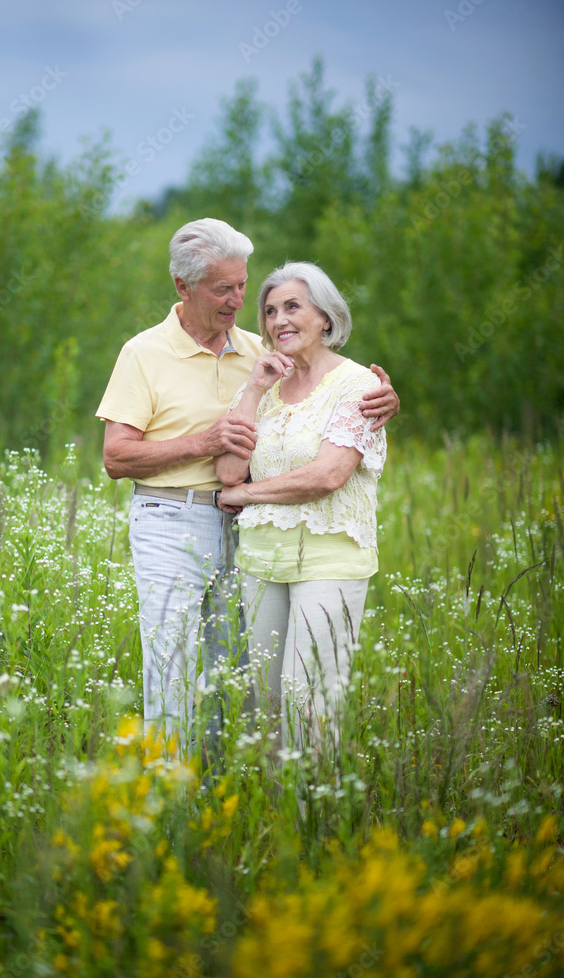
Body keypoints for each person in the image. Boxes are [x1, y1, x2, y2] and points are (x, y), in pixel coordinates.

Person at [96, 220, 398, 738]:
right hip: (170, 516)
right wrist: (204, 443)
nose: (239, 301)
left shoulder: (262, 349)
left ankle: (211, 803)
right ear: (183, 287)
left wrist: (385, 399)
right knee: (170, 667)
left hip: (245, 527)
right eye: (223, 289)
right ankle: (166, 802)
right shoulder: (142, 353)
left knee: (230, 673)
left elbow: (324, 381)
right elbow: (116, 458)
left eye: (242, 285)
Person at [215, 262, 386, 746]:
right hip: (263, 559)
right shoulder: (267, 388)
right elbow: (228, 470)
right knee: (266, 707)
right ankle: (276, 820)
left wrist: (246, 495)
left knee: (306, 704)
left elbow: (328, 475)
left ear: (326, 319)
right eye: (270, 311)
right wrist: (252, 389)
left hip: (330, 557)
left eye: (292, 306)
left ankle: (317, 819)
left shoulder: (358, 387)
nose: (277, 320)